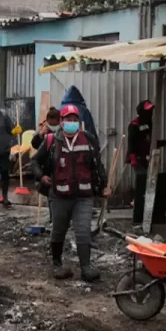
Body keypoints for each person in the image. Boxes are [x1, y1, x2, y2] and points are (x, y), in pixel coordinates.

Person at [31, 104, 107, 282]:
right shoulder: (51, 140)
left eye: (74, 120)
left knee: (83, 231)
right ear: (62, 122)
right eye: (68, 120)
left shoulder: (88, 139)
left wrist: (103, 186)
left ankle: (86, 267)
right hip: (59, 196)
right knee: (58, 230)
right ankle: (57, 264)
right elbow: (34, 162)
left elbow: (97, 165)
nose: (71, 123)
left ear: (78, 122)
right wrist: (41, 176)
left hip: (83, 196)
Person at [126, 100, 166, 226]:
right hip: (138, 158)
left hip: (148, 158)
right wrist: (133, 158)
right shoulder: (134, 125)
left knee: (150, 181)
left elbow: (151, 142)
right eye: (147, 111)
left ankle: (149, 209)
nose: (150, 113)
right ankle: (138, 205)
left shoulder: (149, 123)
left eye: (151, 111)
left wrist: (165, 142)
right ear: (141, 111)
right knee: (142, 182)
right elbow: (131, 143)